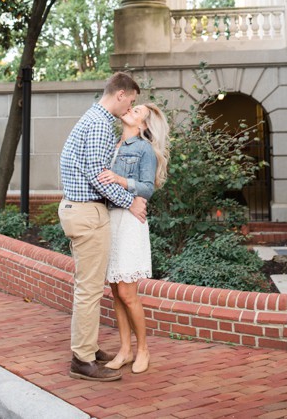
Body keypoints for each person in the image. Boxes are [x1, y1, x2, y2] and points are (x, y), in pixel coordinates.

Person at [58, 72, 148, 382]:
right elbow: (98, 175)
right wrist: (129, 201)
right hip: (86, 214)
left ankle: (89, 348)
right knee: (90, 290)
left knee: (89, 286)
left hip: (78, 209)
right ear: (121, 94)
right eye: (132, 101)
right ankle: (82, 360)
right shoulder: (98, 124)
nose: (130, 107)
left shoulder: (92, 118)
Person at [96, 102, 170, 375]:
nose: (130, 110)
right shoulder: (113, 145)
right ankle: (125, 349)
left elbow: (148, 188)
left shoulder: (144, 149)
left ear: (144, 126)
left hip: (129, 222)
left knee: (128, 292)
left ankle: (143, 349)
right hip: (110, 219)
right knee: (115, 290)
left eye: (137, 111)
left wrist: (119, 180)